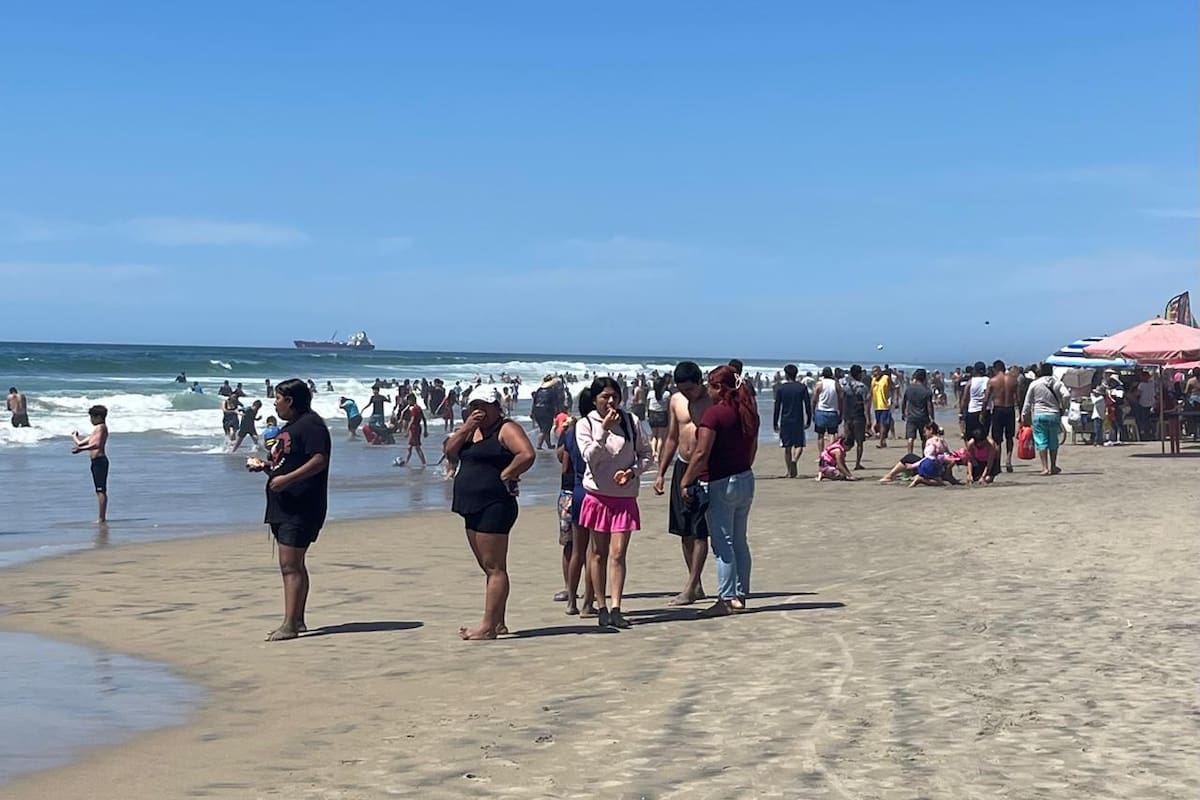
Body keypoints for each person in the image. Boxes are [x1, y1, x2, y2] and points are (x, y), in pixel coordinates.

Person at [245, 379, 331, 642]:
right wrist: (267, 468)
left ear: (290, 400)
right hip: (284, 504)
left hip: (302, 505)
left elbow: (319, 460)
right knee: (295, 565)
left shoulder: (312, 425)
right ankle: (298, 619)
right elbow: (285, 462)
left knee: (289, 566)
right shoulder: (291, 428)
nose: (274, 403)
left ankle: (289, 625)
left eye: (277, 398)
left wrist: (287, 479)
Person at [445, 396, 536, 640]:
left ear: (496, 408)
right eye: (475, 407)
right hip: (470, 504)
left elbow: (526, 454)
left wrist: (508, 473)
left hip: (495, 504)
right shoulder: (471, 431)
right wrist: (466, 427)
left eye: (484, 407)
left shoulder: (506, 428)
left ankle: (487, 627)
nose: (479, 411)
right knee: (488, 567)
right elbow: (450, 451)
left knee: (495, 568)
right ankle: (498, 622)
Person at [678, 365, 760, 618]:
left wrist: (685, 480)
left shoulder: (715, 414)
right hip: (745, 477)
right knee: (739, 540)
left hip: (721, 481)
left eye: (711, 386)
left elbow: (702, 452)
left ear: (719, 388)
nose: (708, 390)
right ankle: (740, 594)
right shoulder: (747, 411)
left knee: (722, 544)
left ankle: (725, 598)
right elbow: (753, 447)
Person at [575, 377, 653, 629]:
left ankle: (617, 606)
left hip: (625, 496)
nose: (610, 401)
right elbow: (590, 457)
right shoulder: (585, 424)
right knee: (598, 553)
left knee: (618, 553)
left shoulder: (632, 421)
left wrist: (632, 472)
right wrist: (604, 430)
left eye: (614, 397)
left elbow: (646, 455)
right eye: (605, 397)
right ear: (595, 399)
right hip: (597, 496)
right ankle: (601, 606)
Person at [653, 361, 712, 606]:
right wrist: (661, 472)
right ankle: (694, 582)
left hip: (705, 468)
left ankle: (690, 586)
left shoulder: (711, 401)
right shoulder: (676, 400)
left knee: (700, 530)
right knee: (684, 529)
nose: (687, 394)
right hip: (681, 465)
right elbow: (672, 437)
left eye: (690, 390)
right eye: (682, 390)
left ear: (700, 382)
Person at [559, 388, 598, 616]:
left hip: (574, 490)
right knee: (594, 552)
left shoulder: (571, 431)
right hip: (594, 491)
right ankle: (587, 603)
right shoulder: (596, 429)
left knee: (576, 551)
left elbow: (565, 464)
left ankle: (572, 601)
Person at [1021, 364, 1068, 476]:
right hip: (1053, 414)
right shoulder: (1057, 383)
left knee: (1041, 441)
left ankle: (1045, 468)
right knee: (1053, 441)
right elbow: (1066, 395)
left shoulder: (1035, 384)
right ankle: (1053, 466)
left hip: (1039, 415)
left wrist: (1024, 416)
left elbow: (1027, 402)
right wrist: (1063, 408)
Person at [71, 404, 110, 523]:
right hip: (95, 461)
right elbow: (81, 443)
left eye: (92, 417)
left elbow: (97, 444)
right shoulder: (96, 430)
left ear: (98, 417)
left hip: (100, 461)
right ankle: (101, 517)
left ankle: (101, 518)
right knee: (98, 490)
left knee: (101, 490)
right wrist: (74, 437)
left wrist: (81, 450)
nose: (91, 420)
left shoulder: (101, 428)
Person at [773, 364, 811, 478]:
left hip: (785, 420)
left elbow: (777, 406)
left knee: (787, 446)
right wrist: (809, 419)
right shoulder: (802, 387)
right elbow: (807, 405)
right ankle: (795, 460)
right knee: (799, 444)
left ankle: (789, 471)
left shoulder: (781, 388)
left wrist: (775, 422)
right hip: (798, 419)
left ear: (786, 374)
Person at [982, 360, 1018, 473]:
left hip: (998, 409)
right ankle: (1008, 460)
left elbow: (986, 399)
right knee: (1009, 437)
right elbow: (1019, 398)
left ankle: (997, 463)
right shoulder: (1013, 380)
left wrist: (983, 413)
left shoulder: (992, 381)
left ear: (995, 369)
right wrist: (1021, 413)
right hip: (1010, 409)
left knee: (997, 439)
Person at [841, 365, 871, 470]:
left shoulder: (845, 386)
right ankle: (857, 463)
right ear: (859, 374)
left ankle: (840, 460)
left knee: (846, 441)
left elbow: (842, 400)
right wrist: (869, 419)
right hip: (859, 416)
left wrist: (841, 414)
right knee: (859, 442)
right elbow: (867, 404)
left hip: (848, 415)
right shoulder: (863, 387)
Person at [901, 369, 935, 456]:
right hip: (923, 417)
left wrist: (903, 413)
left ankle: (909, 455)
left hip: (911, 417)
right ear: (924, 378)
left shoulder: (909, 388)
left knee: (910, 438)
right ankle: (924, 456)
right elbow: (929, 406)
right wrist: (932, 418)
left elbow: (904, 402)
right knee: (924, 439)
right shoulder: (927, 391)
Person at [812, 367, 843, 453]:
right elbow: (841, 399)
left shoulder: (820, 384)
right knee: (832, 434)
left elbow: (814, 399)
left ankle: (821, 454)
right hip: (833, 411)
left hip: (821, 411)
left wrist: (813, 411)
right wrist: (841, 412)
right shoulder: (836, 384)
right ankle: (830, 453)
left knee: (820, 435)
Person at [961, 361, 990, 444]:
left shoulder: (971, 382)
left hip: (972, 410)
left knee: (970, 436)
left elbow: (965, 398)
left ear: (975, 370)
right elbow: (988, 397)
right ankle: (983, 455)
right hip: (985, 411)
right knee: (983, 436)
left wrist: (961, 411)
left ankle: (972, 454)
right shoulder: (988, 380)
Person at [531, 375, 562, 450]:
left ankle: (549, 445)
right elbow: (556, 402)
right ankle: (539, 445)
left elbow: (534, 402)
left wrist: (532, 412)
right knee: (545, 429)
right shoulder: (552, 391)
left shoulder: (539, 390)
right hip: (546, 411)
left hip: (537, 411)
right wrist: (558, 411)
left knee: (545, 428)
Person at [399, 394, 428, 467]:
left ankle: (424, 463)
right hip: (418, 427)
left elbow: (412, 420)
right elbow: (424, 419)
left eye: (408, 400)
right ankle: (406, 462)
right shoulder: (418, 408)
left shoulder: (414, 409)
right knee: (410, 446)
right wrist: (425, 430)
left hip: (414, 428)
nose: (408, 402)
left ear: (411, 400)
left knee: (417, 447)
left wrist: (407, 431)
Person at [646, 375, 670, 459]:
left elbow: (647, 405)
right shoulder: (667, 394)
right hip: (662, 415)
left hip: (652, 414)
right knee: (660, 437)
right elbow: (668, 406)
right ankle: (658, 454)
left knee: (653, 435)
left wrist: (647, 414)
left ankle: (653, 451)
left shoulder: (651, 393)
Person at [870, 366, 894, 447]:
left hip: (885, 405)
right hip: (876, 406)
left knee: (882, 424)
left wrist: (893, 399)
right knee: (878, 424)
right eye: (873, 371)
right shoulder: (873, 380)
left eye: (876, 371)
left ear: (880, 371)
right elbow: (871, 392)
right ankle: (883, 440)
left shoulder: (886, 378)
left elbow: (893, 387)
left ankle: (881, 442)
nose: (874, 373)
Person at [1133, 370, 1157, 441]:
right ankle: (1152, 433)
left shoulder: (1141, 385)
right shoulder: (1152, 384)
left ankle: (1146, 434)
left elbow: (1138, 394)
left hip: (1143, 404)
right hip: (1152, 403)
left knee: (1144, 420)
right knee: (1150, 420)